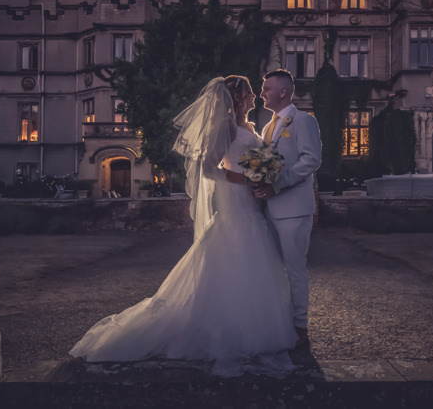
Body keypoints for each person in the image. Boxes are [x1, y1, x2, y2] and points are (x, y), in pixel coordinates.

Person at [69, 76, 296, 376]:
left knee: (254, 260)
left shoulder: (250, 128)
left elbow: (256, 162)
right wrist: (243, 179)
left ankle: (253, 326)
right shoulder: (225, 127)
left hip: (252, 205)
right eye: (251, 93)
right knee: (235, 258)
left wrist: (265, 175)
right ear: (238, 98)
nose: (255, 98)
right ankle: (226, 333)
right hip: (233, 202)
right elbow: (207, 167)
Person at [254, 69, 322, 350]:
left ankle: (299, 326)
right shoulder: (268, 127)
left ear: (283, 92)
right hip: (270, 208)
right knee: (275, 271)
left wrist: (277, 186)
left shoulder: (304, 121)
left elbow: (311, 161)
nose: (262, 93)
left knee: (295, 270)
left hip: (294, 209)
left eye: (267, 88)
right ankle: (280, 322)